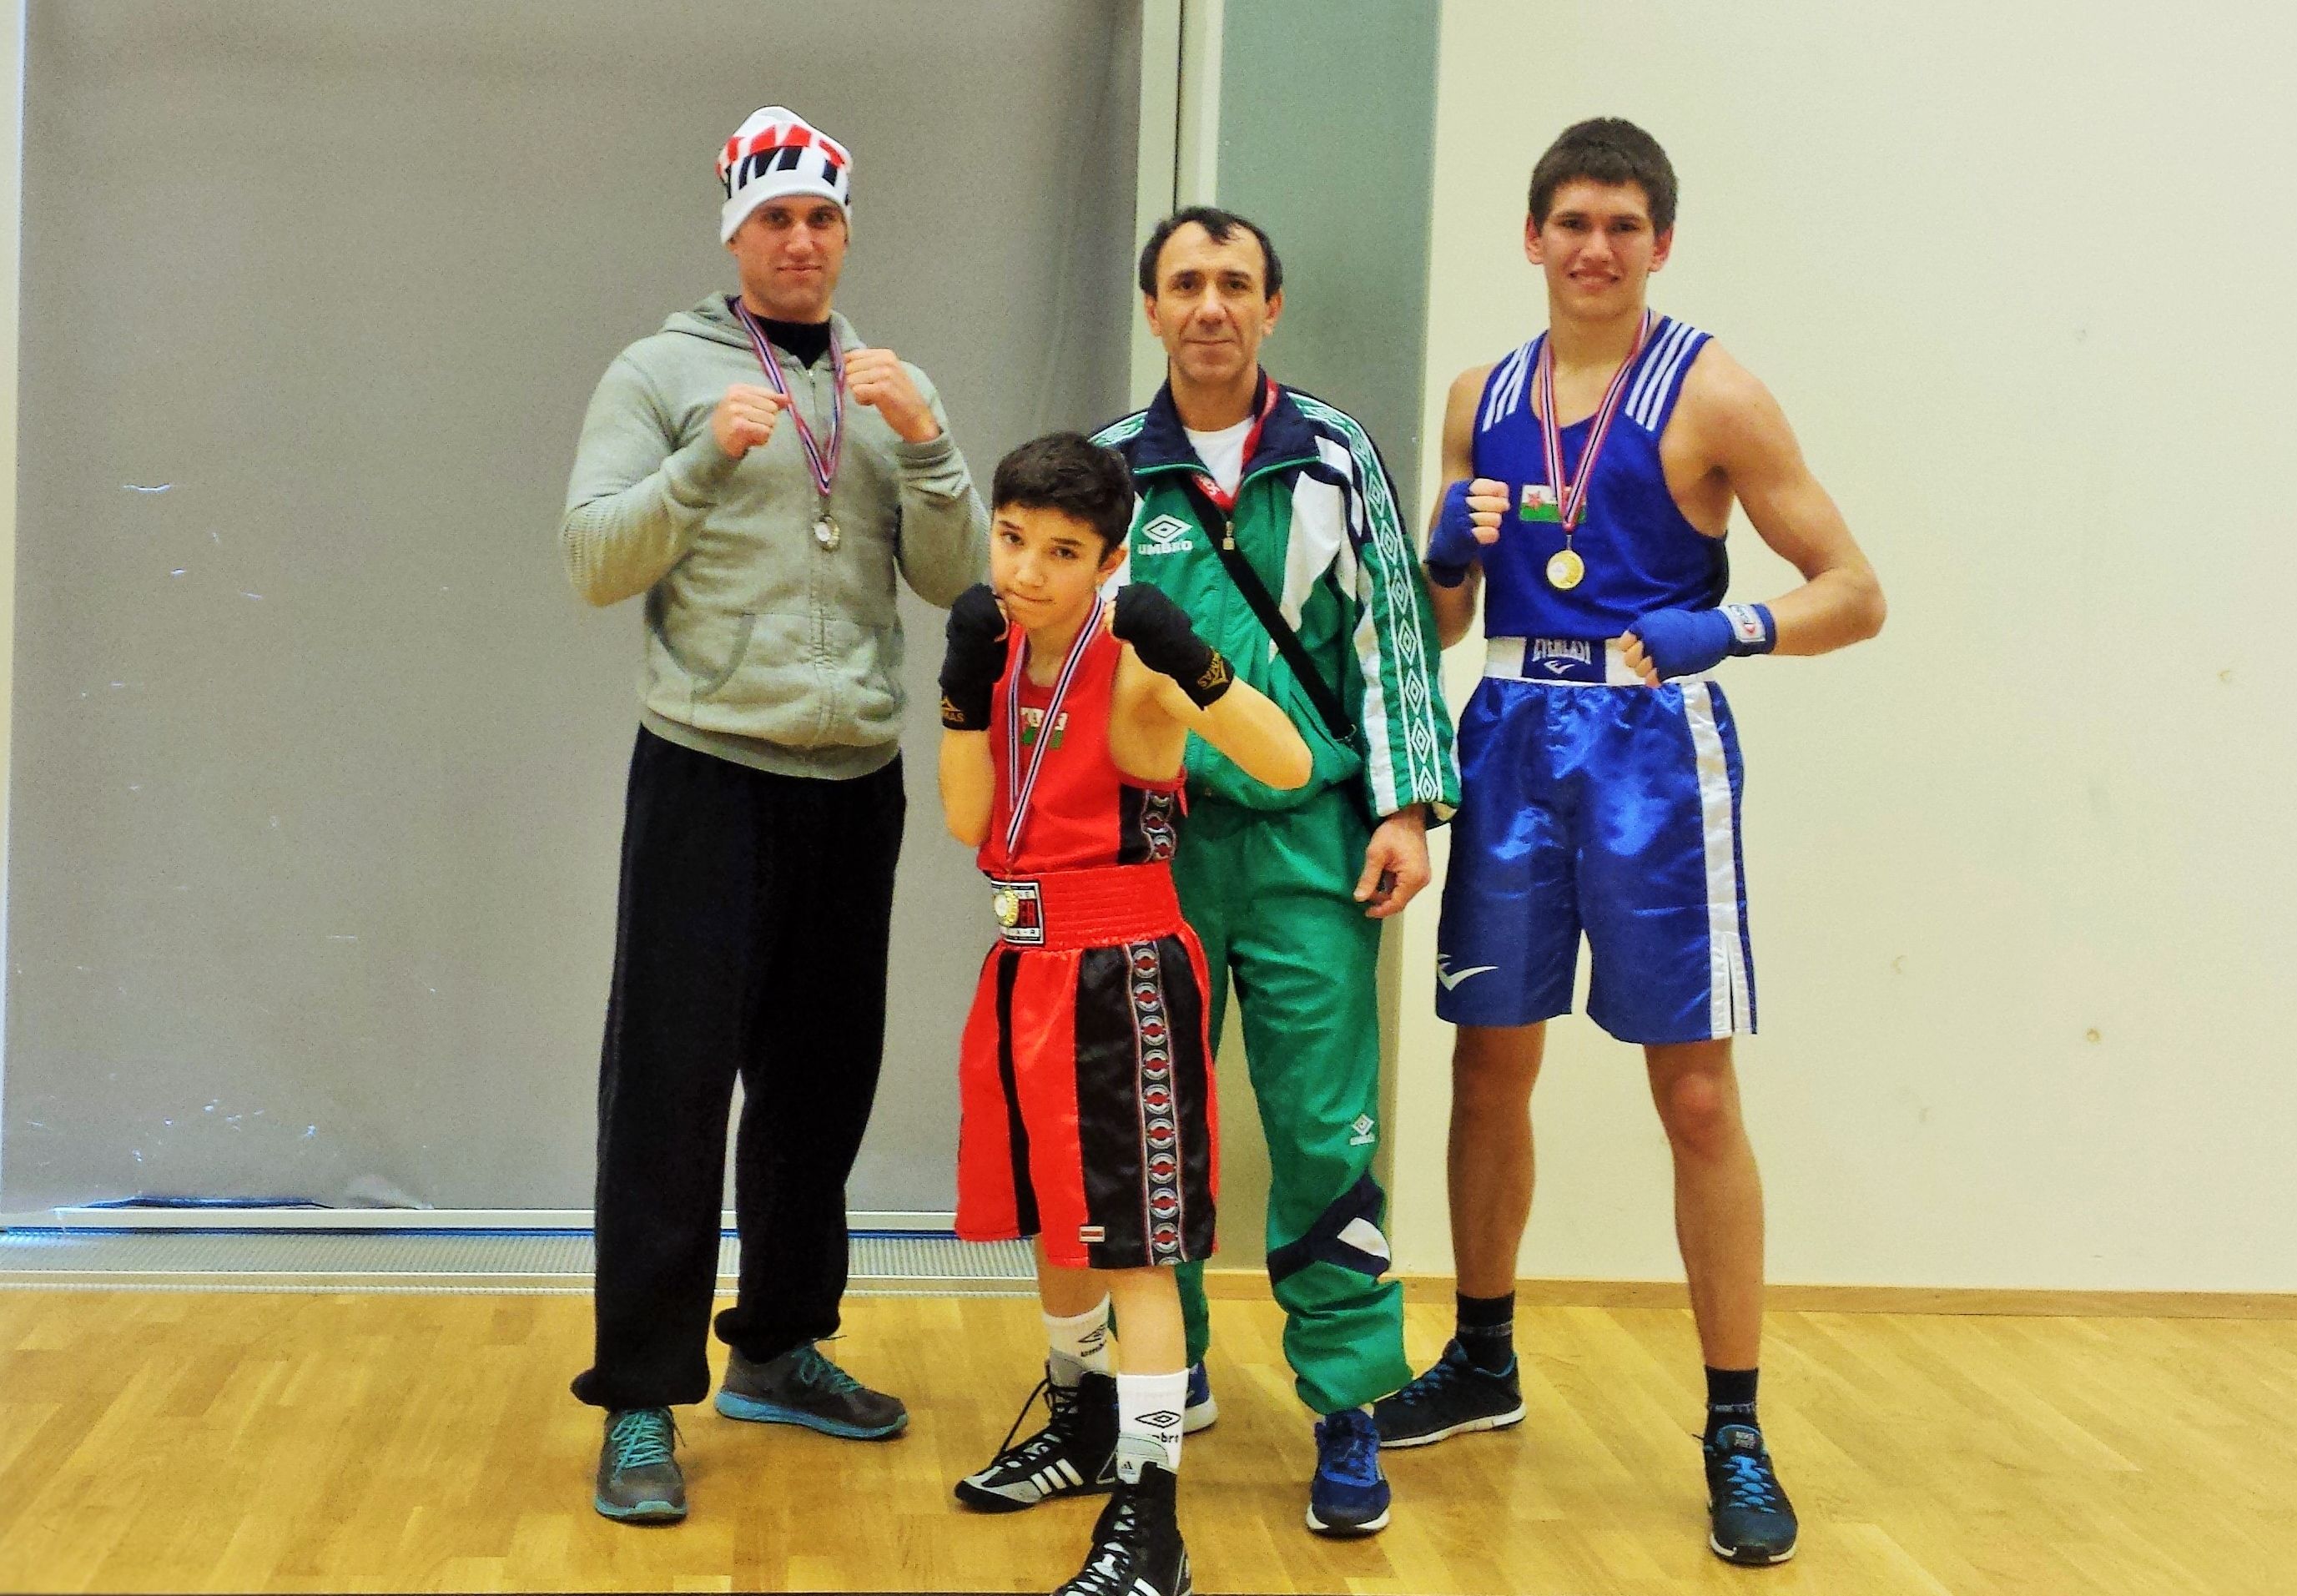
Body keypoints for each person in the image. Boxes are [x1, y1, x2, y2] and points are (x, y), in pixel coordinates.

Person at [1373, 118, 1886, 1568]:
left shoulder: (1713, 390)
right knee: (1489, 1061)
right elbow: (1445, 622)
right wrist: (1444, 550)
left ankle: (1733, 1422)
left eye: (1620, 224)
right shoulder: (1480, 395)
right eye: (1571, 221)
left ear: (1659, 240)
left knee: (1697, 1091)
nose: (1593, 247)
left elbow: (1854, 589)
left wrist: (1736, 623)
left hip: (1654, 748)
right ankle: (1482, 1355)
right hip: (1508, 727)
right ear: (1530, 235)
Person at [962, 206, 1459, 1539]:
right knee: (1151, 1134)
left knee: (1323, 1123)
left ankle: (1346, 1405)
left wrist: (1407, 809)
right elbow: (1055, 656)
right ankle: (1161, 1383)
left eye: (1235, 282)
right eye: (1185, 283)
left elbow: (1394, 638)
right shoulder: (1111, 472)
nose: (1210, 305)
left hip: (1310, 842)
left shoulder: (1334, 454)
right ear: (1152, 308)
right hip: (1152, 852)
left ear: (1270, 305)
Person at [557, 104, 989, 1523]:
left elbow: (958, 583)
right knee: (670, 1089)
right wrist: (699, 463)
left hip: (852, 780)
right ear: (734, 231)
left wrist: (928, 443)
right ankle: (639, 1394)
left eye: (820, 217)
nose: (799, 240)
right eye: (773, 218)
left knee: (820, 1084)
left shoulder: (886, 385)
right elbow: (592, 560)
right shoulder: (659, 372)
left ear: (844, 232)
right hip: (708, 773)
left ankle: (780, 1345)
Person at [937, 431, 1311, 1596]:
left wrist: (1195, 659)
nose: (1026, 570)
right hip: (1021, 964)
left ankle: (1152, 1521)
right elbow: (967, 820)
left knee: (1138, 1254)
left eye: (1062, 552)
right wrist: (958, 695)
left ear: (1108, 564)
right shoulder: (997, 652)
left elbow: (1288, 763)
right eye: (1011, 539)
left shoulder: (1135, 661)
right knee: (1055, 1226)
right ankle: (1084, 1421)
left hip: (1123, 971)